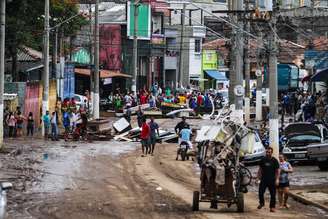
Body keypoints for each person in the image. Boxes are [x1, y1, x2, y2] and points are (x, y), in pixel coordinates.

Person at [257, 147, 280, 212]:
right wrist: (257, 178)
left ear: (271, 153)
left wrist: (277, 179)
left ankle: (272, 207)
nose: (268, 153)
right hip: (264, 180)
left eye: (269, 152)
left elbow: (278, 171)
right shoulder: (262, 160)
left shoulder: (274, 160)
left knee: (273, 194)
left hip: (272, 180)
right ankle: (262, 203)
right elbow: (260, 170)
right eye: (267, 152)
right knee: (260, 193)